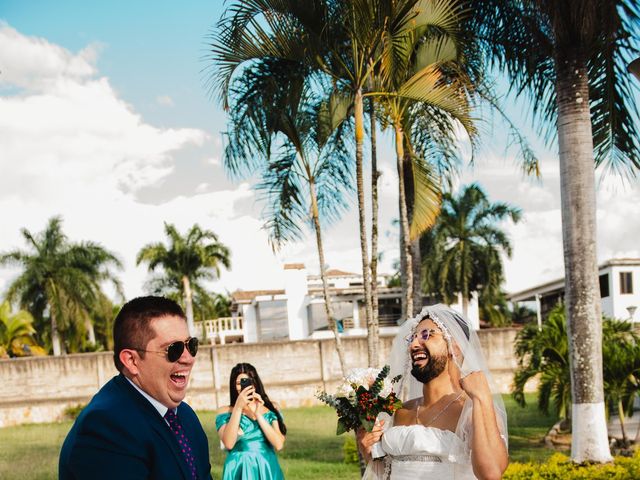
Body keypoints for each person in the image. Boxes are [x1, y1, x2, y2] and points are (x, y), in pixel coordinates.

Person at [59, 296, 212, 480]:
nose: (188, 359)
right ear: (132, 361)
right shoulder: (106, 427)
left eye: (191, 345)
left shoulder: (185, 416)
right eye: (174, 349)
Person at [358, 304, 508, 480]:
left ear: (455, 346)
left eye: (426, 335)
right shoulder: (400, 411)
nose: (414, 344)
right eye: (412, 337)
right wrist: (369, 453)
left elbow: (491, 474)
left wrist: (482, 398)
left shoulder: (471, 411)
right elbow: (388, 474)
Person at [216, 363, 286, 480]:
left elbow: (278, 444)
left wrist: (258, 414)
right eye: (239, 383)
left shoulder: (271, 408)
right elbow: (228, 443)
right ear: (233, 385)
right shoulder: (225, 411)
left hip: (266, 466)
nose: (243, 386)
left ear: (255, 383)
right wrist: (238, 407)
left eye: (248, 381)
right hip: (239, 467)